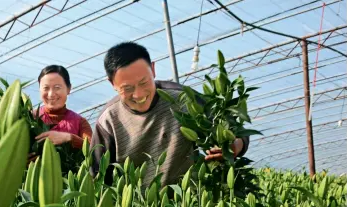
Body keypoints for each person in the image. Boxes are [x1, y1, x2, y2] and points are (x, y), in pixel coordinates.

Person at [89, 42, 249, 188]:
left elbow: (235, 130)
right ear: (112, 83)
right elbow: (98, 178)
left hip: (190, 204)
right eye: (127, 88)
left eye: (144, 82)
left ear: (153, 69)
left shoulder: (183, 99)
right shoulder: (109, 120)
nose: (138, 94)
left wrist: (235, 145)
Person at [31, 65, 93, 157]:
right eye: (46, 88)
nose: (51, 94)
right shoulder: (31, 117)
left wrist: (70, 138)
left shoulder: (80, 122)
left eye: (57, 87)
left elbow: (94, 150)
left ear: (68, 89)